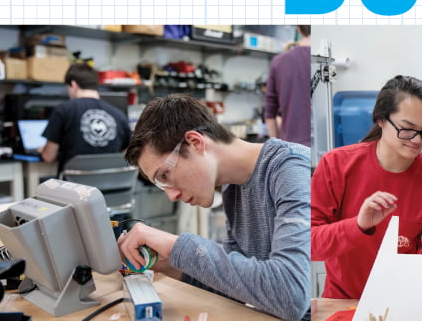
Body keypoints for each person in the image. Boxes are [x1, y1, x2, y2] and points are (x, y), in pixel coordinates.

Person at [117, 94, 311, 320]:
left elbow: (292, 295)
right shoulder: (233, 187)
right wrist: (170, 264)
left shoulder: (292, 170)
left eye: (165, 175)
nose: (171, 195)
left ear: (195, 142)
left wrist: (176, 246)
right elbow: (236, 286)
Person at [311, 75, 422, 299]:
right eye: (407, 128)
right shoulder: (336, 165)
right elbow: (309, 244)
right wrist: (358, 226)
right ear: (380, 118)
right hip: (344, 304)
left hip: (405, 305)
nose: (418, 139)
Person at [41, 63, 131, 172]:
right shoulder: (119, 114)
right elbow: (129, 153)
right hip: (111, 185)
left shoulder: (63, 110)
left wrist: (43, 150)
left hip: (74, 187)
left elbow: (48, 157)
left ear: (73, 85)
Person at [264, 25, 312, 146]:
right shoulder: (328, 59)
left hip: (290, 148)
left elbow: (270, 113)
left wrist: (276, 148)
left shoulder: (279, 61)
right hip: (323, 147)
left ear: (298, 29)